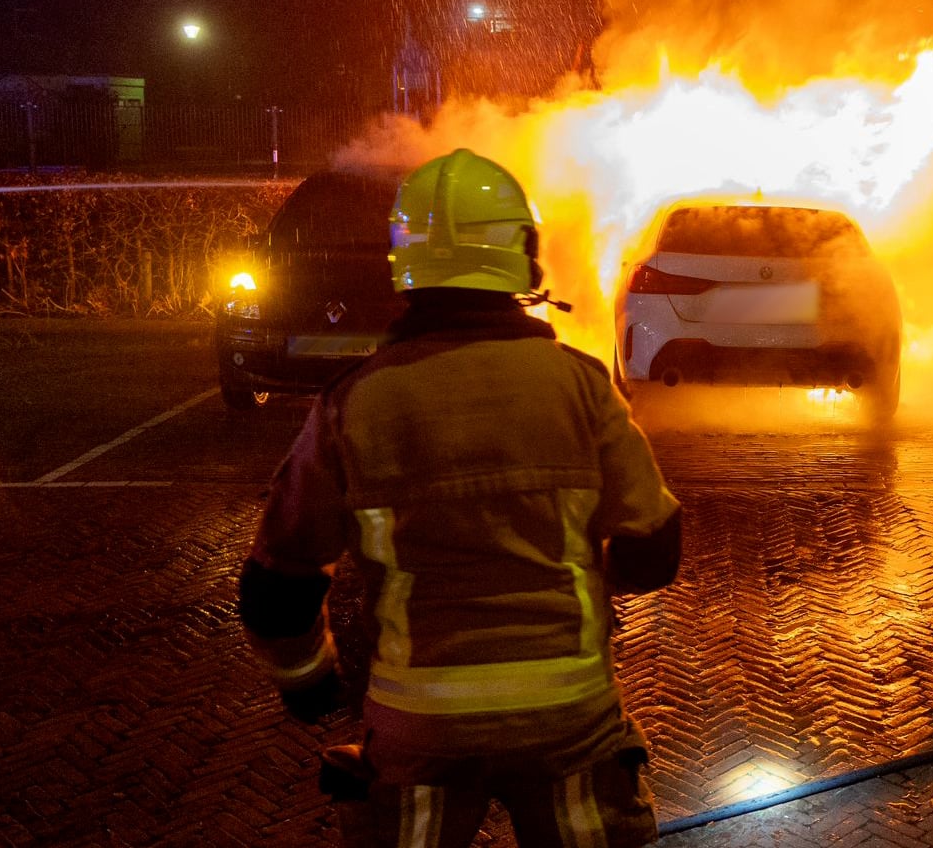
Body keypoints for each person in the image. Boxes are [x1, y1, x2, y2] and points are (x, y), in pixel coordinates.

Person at [239, 148, 682, 847]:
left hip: (420, 725)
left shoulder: (355, 403)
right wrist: (588, 577)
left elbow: (277, 585)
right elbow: (655, 547)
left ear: (403, 263)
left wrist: (309, 683)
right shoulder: (581, 386)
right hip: (568, 717)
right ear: (524, 256)